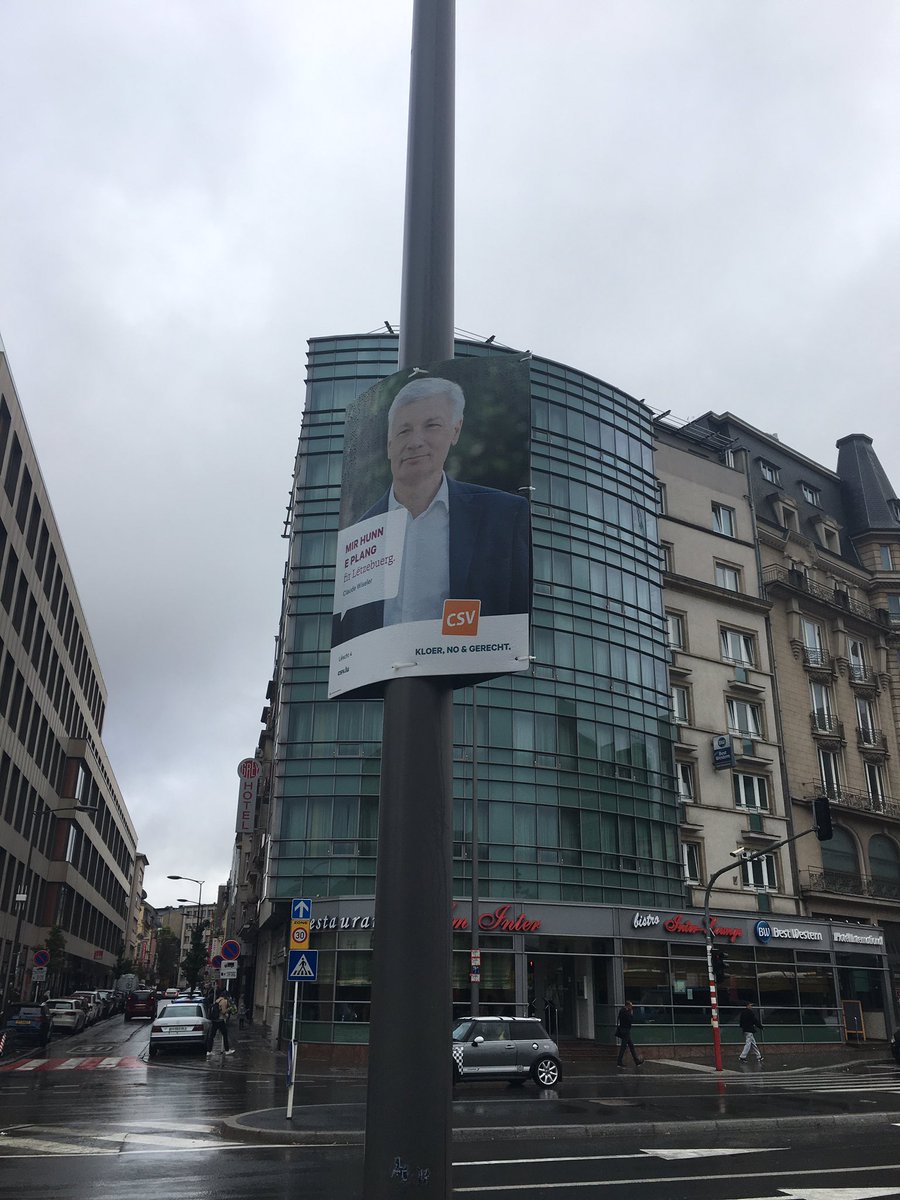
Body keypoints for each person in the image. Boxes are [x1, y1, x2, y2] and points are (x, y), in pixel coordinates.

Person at [332, 376, 530, 645]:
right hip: (386, 682)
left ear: (455, 431)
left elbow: (513, 620)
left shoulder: (503, 517)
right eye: (403, 431)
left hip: (463, 679)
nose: (415, 441)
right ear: (389, 445)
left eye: (432, 426)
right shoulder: (359, 540)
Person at [615, 1000, 643, 1068]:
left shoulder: (621, 1010)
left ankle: (636, 1061)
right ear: (628, 1005)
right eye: (631, 1006)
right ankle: (619, 1062)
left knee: (631, 1046)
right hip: (625, 1031)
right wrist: (631, 1014)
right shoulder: (626, 1012)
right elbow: (630, 1020)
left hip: (623, 1030)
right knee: (623, 1047)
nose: (631, 1007)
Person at [206, 992, 234, 1056]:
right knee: (225, 1034)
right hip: (220, 1020)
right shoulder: (224, 1001)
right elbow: (223, 1011)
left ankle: (209, 1051)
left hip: (214, 1020)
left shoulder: (218, 1000)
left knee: (212, 1036)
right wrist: (229, 1008)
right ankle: (227, 1050)